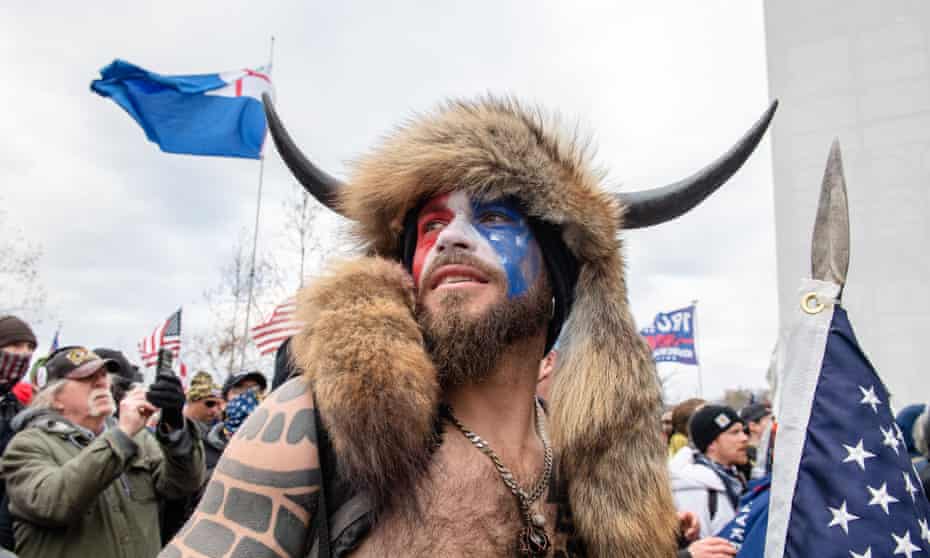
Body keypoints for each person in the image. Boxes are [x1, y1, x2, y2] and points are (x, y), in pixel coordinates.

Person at [162, 95, 772, 557]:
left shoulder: (583, 462)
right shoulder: (312, 428)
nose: (452, 236)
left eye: (493, 217)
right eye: (429, 227)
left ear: (555, 267)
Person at [1, 346, 204, 558]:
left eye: (103, 375)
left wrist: (174, 425)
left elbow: (182, 486)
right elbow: (54, 503)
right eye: (85, 378)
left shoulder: (139, 438)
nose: (100, 383)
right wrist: (122, 434)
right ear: (55, 398)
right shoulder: (27, 444)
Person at [670, 405, 749, 538]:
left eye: (743, 431)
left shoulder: (734, 479)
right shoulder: (695, 487)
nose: (744, 438)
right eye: (735, 432)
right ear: (712, 443)